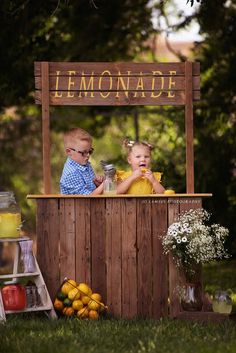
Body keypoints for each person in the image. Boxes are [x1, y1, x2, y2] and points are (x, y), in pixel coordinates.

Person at [60, 127, 104, 195]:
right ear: (69, 152)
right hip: (76, 205)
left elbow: (91, 190)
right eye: (83, 152)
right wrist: (105, 184)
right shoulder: (71, 174)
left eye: (90, 151)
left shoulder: (84, 164)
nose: (88, 155)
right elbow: (89, 198)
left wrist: (97, 184)